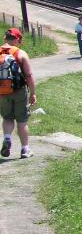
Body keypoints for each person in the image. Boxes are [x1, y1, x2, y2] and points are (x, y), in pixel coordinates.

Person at [0, 28, 37, 159]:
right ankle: (25, 149)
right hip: (19, 90)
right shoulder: (20, 53)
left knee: (7, 118)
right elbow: (28, 75)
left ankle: (7, 138)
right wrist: (33, 93)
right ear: (17, 40)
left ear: (5, 38)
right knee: (22, 120)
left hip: (2, 92)